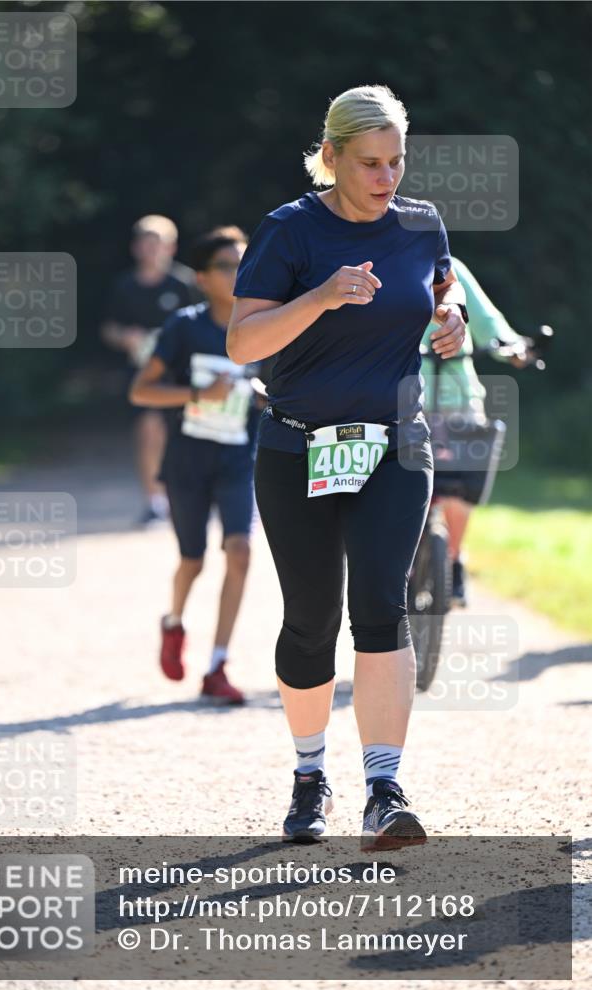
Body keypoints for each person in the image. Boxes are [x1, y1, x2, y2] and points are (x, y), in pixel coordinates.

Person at [227, 85, 467, 850]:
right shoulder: (289, 231)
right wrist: (321, 297)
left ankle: (384, 791)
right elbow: (243, 342)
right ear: (330, 157)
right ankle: (309, 775)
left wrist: (450, 318)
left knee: (380, 605)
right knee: (310, 621)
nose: (385, 178)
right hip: (296, 446)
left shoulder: (421, 224)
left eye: (396, 162)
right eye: (369, 163)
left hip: (394, 446)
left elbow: (441, 288)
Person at [130, 226, 263, 705]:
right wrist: (198, 394)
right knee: (193, 559)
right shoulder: (185, 327)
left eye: (244, 264)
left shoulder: (265, 326)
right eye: (227, 266)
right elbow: (141, 391)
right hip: (187, 461)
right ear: (203, 278)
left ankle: (218, 665)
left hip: (238, 459)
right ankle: (173, 622)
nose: (238, 274)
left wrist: (264, 396)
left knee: (240, 550)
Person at [420, 256, 529, 605]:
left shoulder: (449, 269)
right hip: (403, 397)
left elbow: (486, 321)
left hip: (459, 397)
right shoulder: (386, 266)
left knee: (460, 486)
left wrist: (512, 346)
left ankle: (453, 560)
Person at [102, 215, 204, 525]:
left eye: (156, 243)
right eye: (144, 244)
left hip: (184, 374)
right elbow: (108, 329)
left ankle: (193, 498)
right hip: (143, 374)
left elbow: (208, 320)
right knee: (148, 430)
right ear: (135, 248)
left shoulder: (185, 283)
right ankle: (155, 502)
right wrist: (125, 337)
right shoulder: (124, 286)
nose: (150, 250)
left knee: (187, 435)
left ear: (171, 247)